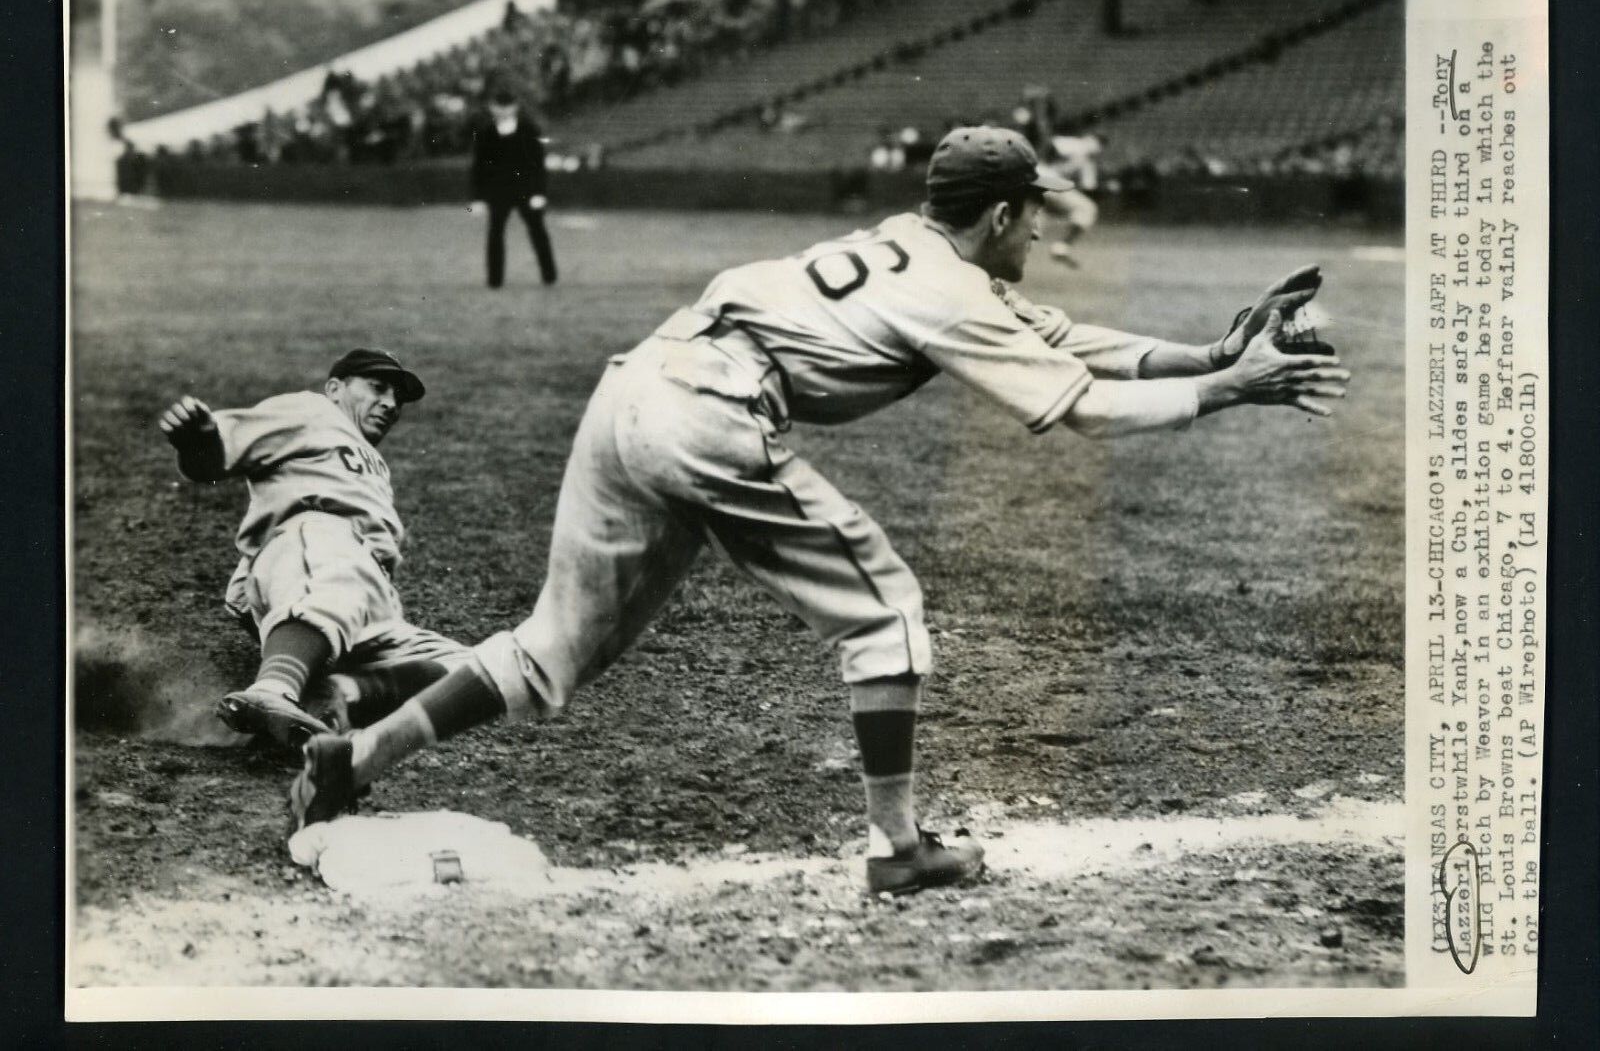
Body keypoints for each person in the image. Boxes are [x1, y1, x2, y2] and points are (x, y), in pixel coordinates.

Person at [290, 127, 1348, 895]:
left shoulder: (911, 242)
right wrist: (1231, 391)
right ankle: (899, 849)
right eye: (1034, 209)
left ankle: (358, 756)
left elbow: (1067, 338)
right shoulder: (948, 288)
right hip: (710, 413)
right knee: (885, 613)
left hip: (634, 390)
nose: (1043, 224)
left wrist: (1214, 352)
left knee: (552, 645)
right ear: (1000, 215)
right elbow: (1078, 409)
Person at [157, 350, 474, 751]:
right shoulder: (309, 411)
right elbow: (215, 457)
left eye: (398, 399)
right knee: (335, 555)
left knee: (475, 671)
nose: (391, 404)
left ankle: (339, 694)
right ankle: (275, 687)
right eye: (377, 388)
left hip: (363, 597)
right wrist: (197, 439)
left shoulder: (372, 459)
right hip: (307, 551)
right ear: (335, 389)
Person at [470, 90, 558, 289]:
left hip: (526, 190)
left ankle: (549, 275)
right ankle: (495, 280)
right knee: (495, 234)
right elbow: (478, 168)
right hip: (498, 192)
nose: (503, 111)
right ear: (492, 107)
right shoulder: (486, 133)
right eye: (499, 106)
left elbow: (538, 165)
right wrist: (478, 198)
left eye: (507, 106)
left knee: (538, 232)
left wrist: (539, 193)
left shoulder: (529, 130)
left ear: (515, 107)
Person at [1044, 131, 1104, 267]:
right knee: (1087, 208)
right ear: (1090, 138)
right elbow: (1051, 145)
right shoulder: (1077, 144)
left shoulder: (1087, 161)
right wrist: (1049, 164)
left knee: (1087, 208)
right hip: (1044, 176)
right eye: (1097, 143)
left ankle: (1061, 248)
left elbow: (1090, 187)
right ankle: (1061, 247)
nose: (1097, 148)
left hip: (1051, 184)